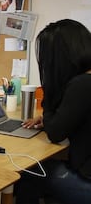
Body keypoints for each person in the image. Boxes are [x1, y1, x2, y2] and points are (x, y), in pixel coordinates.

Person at [15, 19, 91, 204]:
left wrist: (49, 87)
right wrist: (46, 118)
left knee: (25, 172)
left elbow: (56, 133)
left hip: (87, 183)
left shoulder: (82, 84)